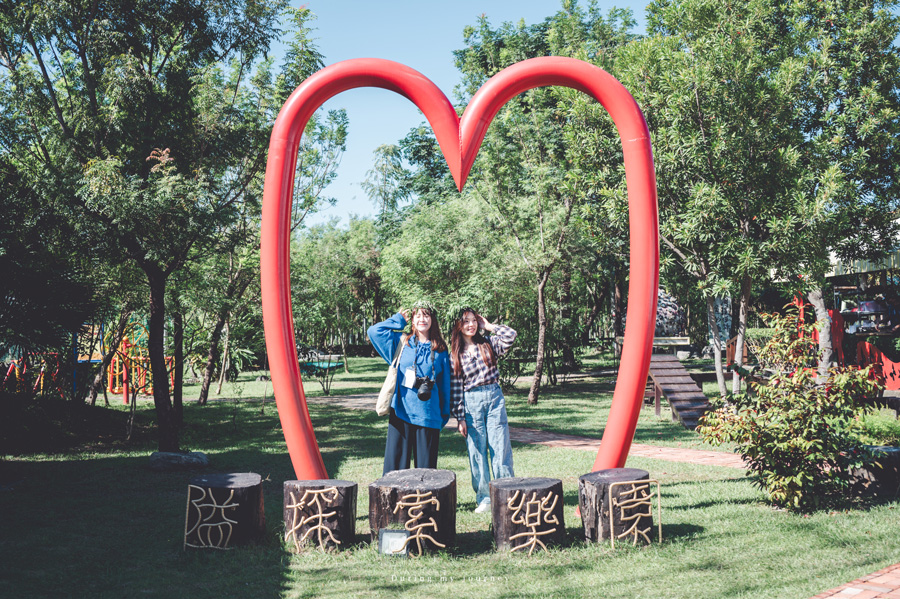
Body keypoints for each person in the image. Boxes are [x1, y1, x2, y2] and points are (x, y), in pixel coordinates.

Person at [368, 302, 452, 475]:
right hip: (401, 412)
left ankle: (425, 503)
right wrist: (398, 320)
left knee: (426, 473)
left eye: (426, 315)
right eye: (418, 315)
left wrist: (443, 416)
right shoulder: (401, 343)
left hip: (428, 416)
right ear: (412, 320)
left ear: (433, 320)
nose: (422, 319)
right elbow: (374, 332)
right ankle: (392, 502)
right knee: (394, 471)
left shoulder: (441, 350)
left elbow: (445, 387)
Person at [449, 308, 517, 513]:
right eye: (465, 321)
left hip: (494, 397)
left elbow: (510, 335)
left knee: (500, 447)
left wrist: (489, 326)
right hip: (471, 401)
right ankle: (484, 498)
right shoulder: (455, 354)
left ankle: (506, 492)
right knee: (477, 450)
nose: (470, 325)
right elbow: (455, 387)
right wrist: (460, 417)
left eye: (473, 321)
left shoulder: (488, 343)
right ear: (458, 326)